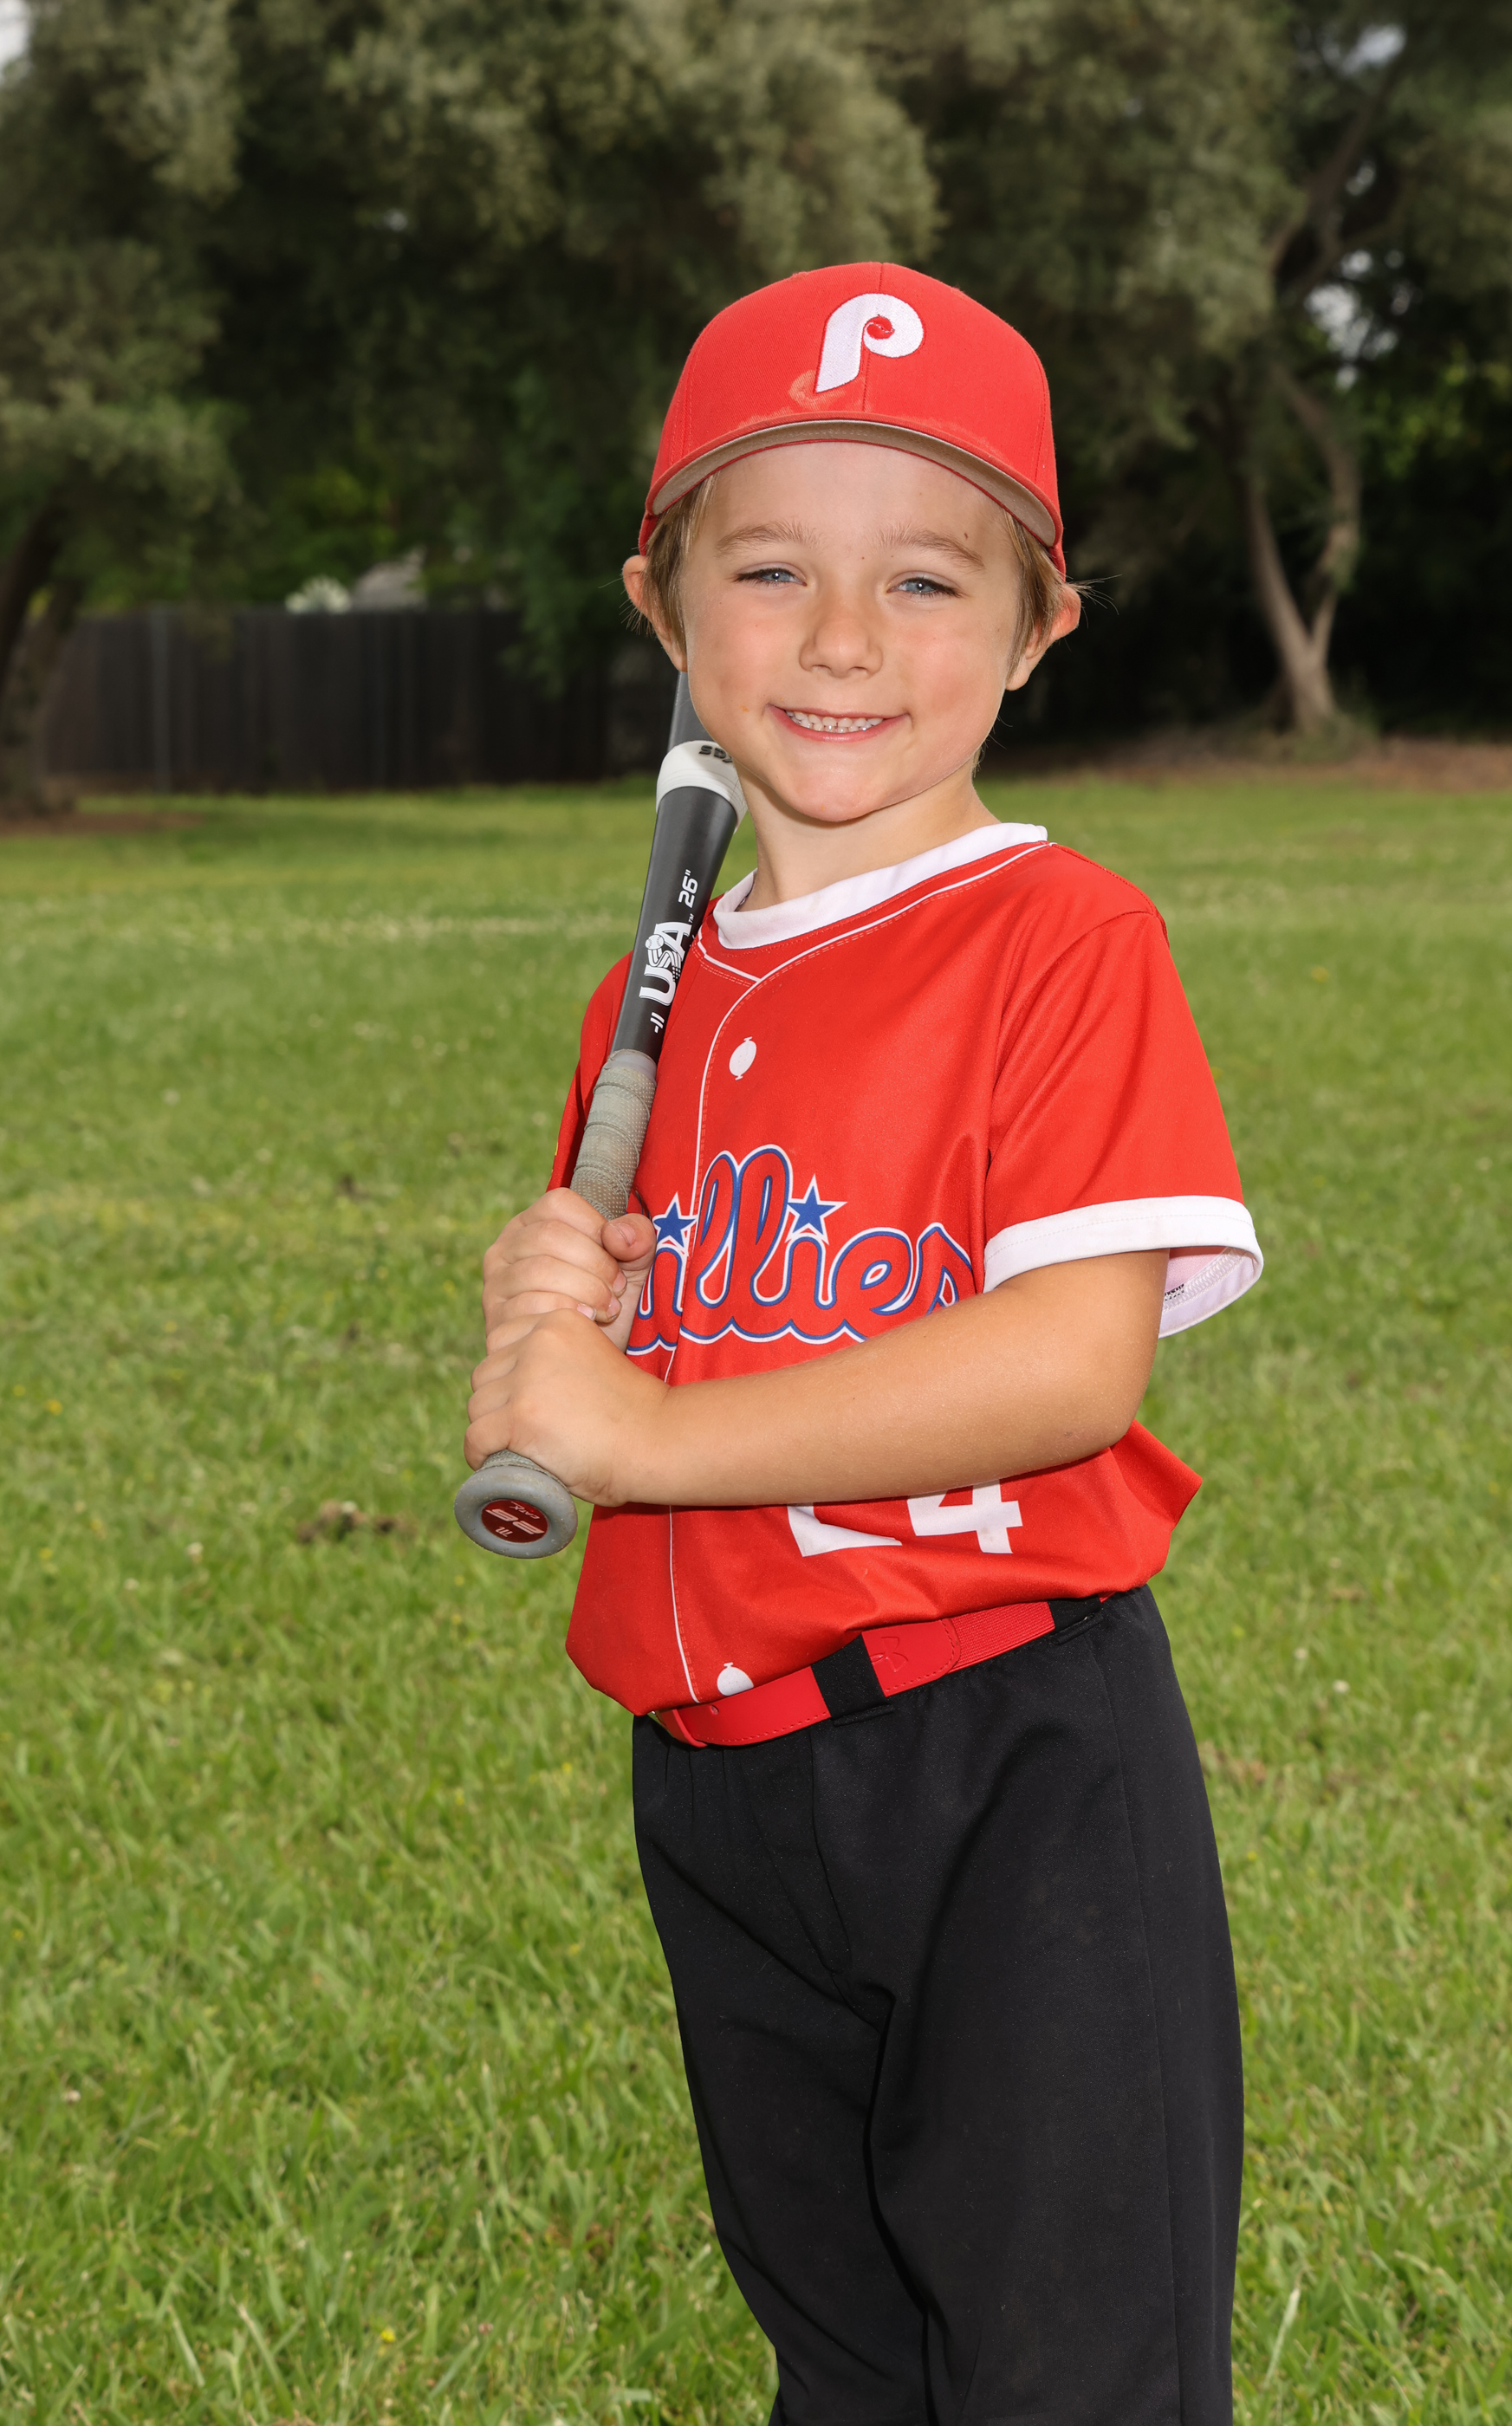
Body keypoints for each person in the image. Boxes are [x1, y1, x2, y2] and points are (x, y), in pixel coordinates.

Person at [465, 263, 1264, 2426]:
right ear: (660, 604)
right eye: (768, 568)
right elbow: (666, 1331)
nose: (839, 638)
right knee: (851, 2364)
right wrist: (560, 1314)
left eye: (924, 579)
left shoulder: (1062, 937)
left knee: (1070, 2370)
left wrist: (638, 1426)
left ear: (1037, 629)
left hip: (1005, 1758)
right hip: (724, 1778)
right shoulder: (658, 987)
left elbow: (1068, 1362)